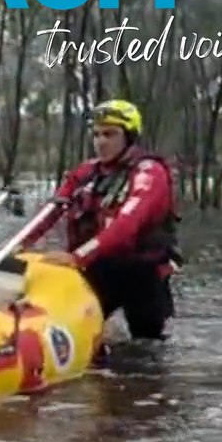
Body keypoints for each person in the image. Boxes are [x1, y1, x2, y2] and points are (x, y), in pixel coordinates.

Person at [24, 99, 179, 340]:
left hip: (140, 272)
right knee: (77, 332)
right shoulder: (86, 173)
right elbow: (51, 211)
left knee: (147, 346)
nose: (101, 142)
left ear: (128, 137)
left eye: (110, 134)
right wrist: (18, 245)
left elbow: (126, 226)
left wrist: (77, 256)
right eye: (96, 135)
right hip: (97, 266)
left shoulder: (148, 173)